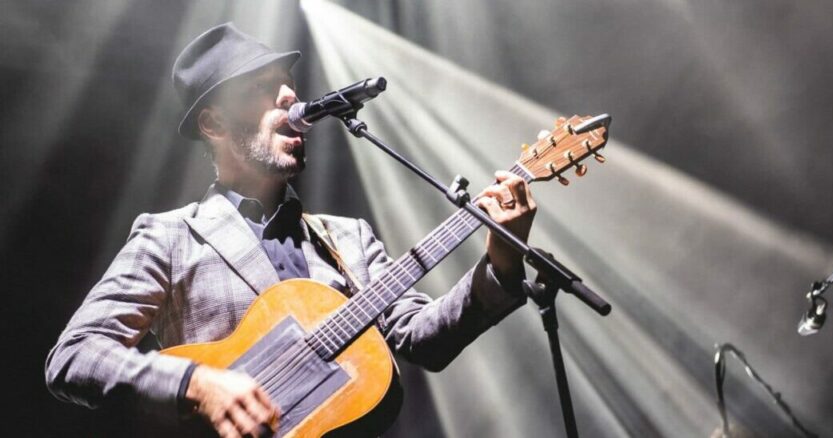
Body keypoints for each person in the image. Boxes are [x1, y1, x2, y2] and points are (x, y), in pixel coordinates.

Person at [45, 23, 536, 437]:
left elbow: (423, 340)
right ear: (214, 124)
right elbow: (74, 356)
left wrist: (502, 262)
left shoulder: (349, 239)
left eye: (287, 81)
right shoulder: (169, 237)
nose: (290, 95)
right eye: (263, 87)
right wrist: (197, 383)